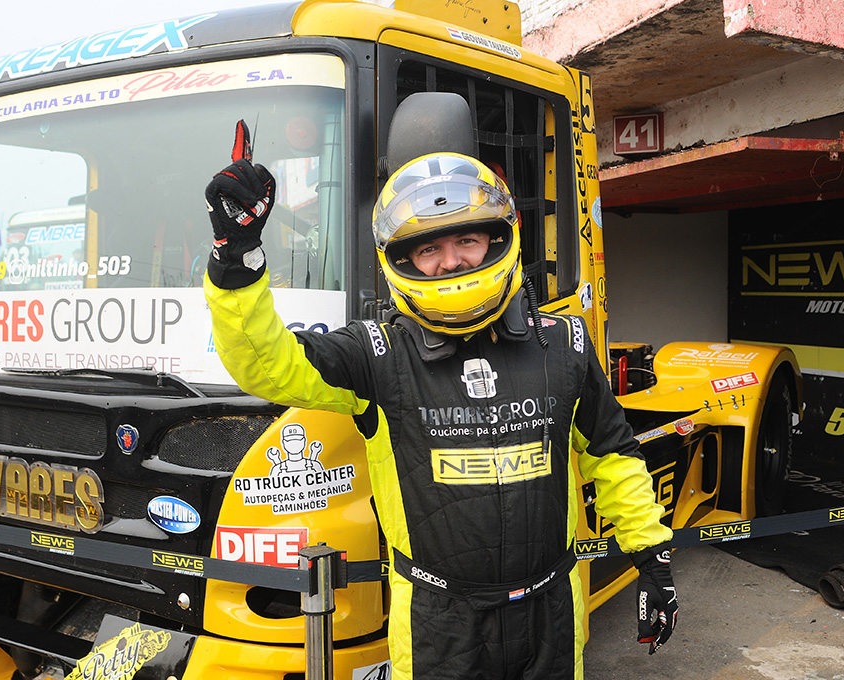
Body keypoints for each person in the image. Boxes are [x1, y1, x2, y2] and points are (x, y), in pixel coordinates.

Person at [203, 144, 678, 679]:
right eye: (429, 248)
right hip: (438, 623)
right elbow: (268, 367)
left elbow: (613, 456)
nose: (451, 261)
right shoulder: (375, 355)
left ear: (499, 239)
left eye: (467, 239)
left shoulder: (564, 342)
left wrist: (652, 560)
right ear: (401, 259)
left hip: (552, 611)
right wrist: (236, 255)